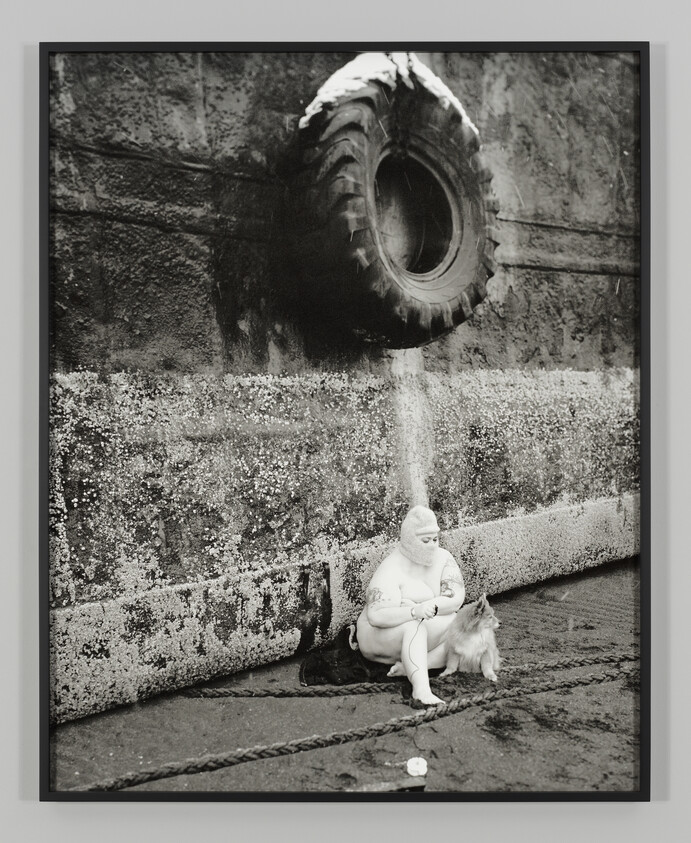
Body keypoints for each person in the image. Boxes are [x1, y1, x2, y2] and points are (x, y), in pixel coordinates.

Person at [356, 505, 466, 706]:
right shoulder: (391, 568)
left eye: (435, 539)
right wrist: (412, 612)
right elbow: (376, 616)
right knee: (413, 625)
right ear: (409, 540)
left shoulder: (443, 558)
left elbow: (455, 598)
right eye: (425, 540)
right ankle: (421, 690)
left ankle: (410, 667)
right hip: (381, 635)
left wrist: (426, 606)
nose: (432, 545)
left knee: (465, 626)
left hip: (424, 625)